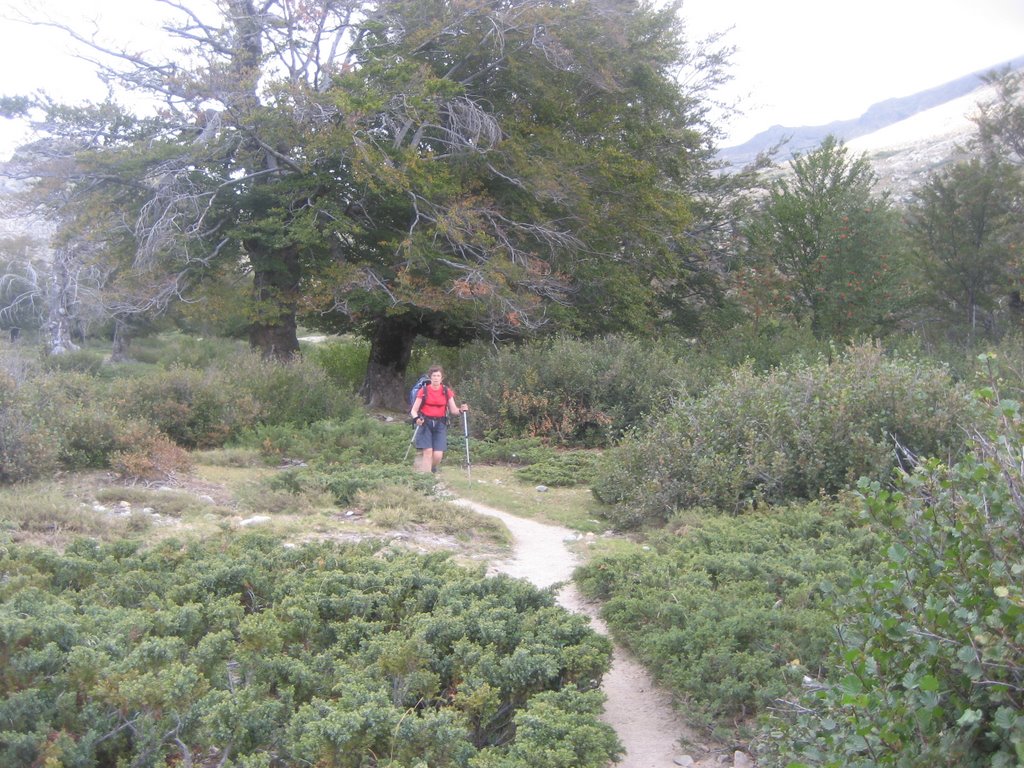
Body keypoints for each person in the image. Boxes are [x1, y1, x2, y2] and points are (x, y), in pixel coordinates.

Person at [409, 365, 468, 474]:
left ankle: (430, 467)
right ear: (430, 377)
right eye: (434, 375)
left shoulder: (446, 391)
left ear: (442, 378)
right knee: (428, 451)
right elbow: (414, 410)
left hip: (440, 423)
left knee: (438, 455)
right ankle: (426, 479)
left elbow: (453, 410)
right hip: (425, 423)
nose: (436, 378)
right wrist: (416, 418)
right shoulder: (423, 390)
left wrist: (461, 410)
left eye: (438, 376)